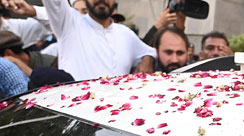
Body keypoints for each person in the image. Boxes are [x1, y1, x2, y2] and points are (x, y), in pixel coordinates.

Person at [0, 0, 156, 80]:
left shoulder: (125, 33)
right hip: (77, 125)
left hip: (117, 126)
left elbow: (151, 52)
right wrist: (33, 10)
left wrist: (147, 59)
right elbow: (54, 4)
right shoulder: (70, 23)